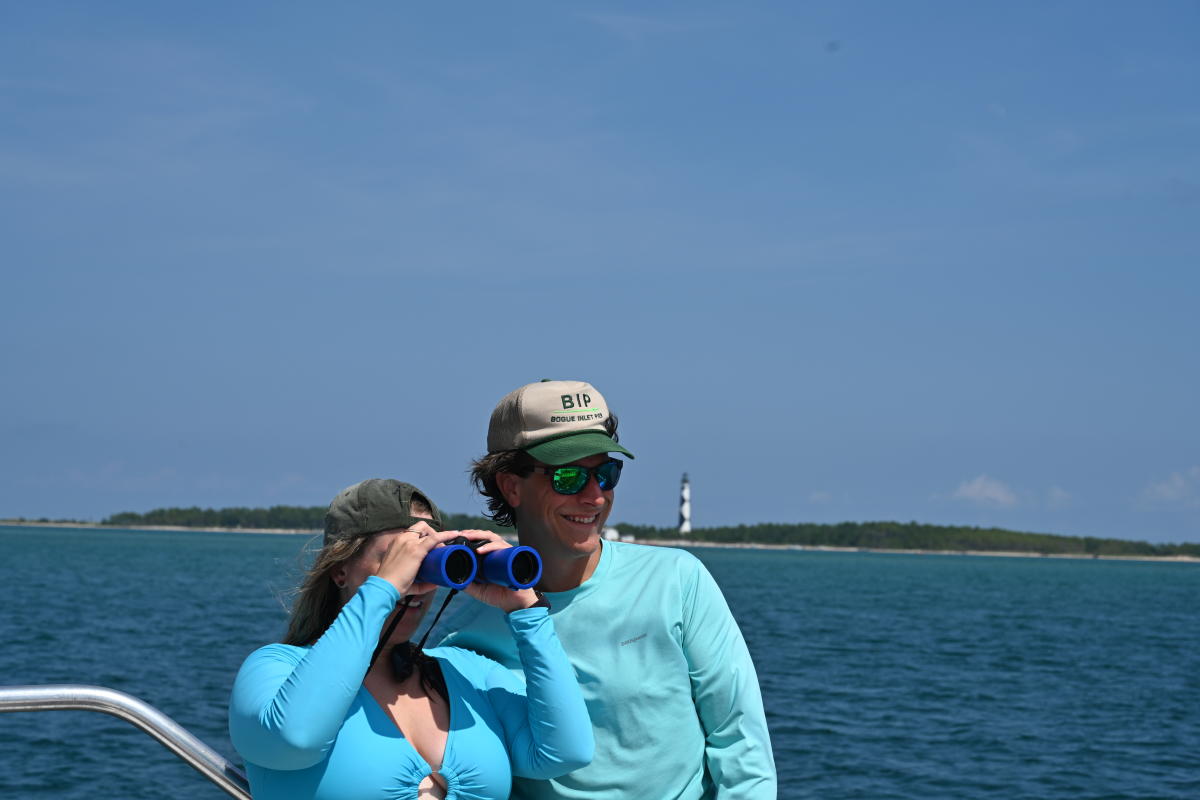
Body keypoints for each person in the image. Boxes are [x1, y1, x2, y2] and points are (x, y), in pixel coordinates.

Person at [439, 379, 777, 799]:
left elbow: (739, 738)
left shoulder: (676, 580)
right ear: (510, 486)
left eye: (606, 473)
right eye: (568, 476)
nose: (595, 496)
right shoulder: (466, 633)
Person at [228, 478, 593, 800]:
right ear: (340, 570)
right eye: (398, 559)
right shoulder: (275, 669)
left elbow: (566, 752)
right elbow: (296, 738)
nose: (413, 578)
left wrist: (526, 610)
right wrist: (384, 588)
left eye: (428, 560)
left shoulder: (466, 672)